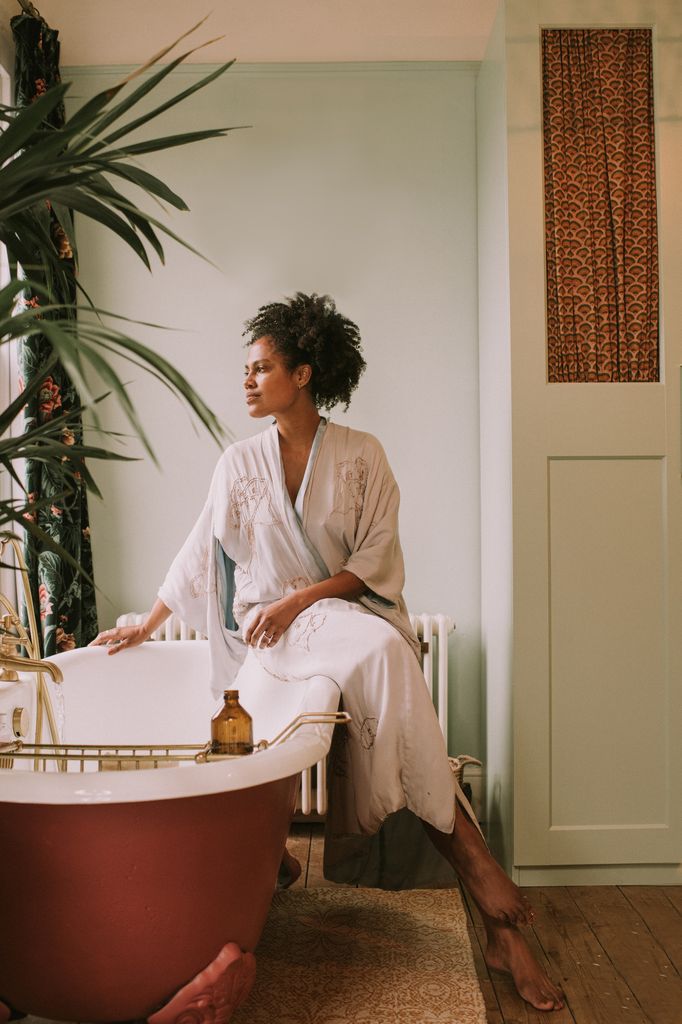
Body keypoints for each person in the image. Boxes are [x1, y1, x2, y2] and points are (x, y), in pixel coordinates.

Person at [91, 293, 565, 1012]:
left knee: (381, 652)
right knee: (387, 662)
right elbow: (203, 551)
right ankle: (481, 877)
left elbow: (376, 558)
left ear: (305, 373)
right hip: (270, 635)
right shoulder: (238, 463)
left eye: (263, 367)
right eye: (246, 369)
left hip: (339, 615)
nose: (247, 380)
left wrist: (300, 599)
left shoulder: (362, 456)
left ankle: (470, 893)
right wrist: (149, 623)